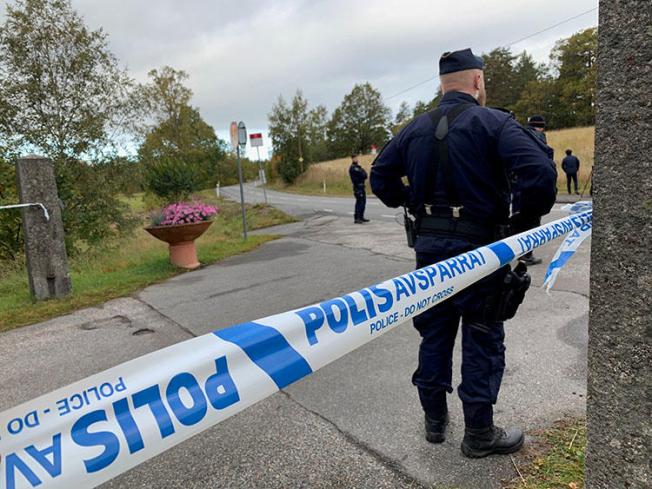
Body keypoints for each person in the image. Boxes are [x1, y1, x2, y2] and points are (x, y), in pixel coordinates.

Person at [370, 48, 557, 458]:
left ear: (443, 83)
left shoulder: (413, 129)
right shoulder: (492, 122)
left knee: (434, 332)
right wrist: (523, 223)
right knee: (482, 333)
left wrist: (413, 204)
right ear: (477, 81)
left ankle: (434, 422)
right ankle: (479, 433)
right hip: (481, 251)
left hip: (430, 250)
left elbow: (380, 176)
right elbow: (541, 173)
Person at [349, 154, 369, 223]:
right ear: (352, 159)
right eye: (355, 158)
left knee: (363, 202)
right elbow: (362, 174)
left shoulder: (359, 167)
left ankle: (361, 217)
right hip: (357, 187)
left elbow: (365, 175)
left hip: (362, 186)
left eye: (357, 158)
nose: (356, 159)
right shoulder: (353, 168)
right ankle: (357, 218)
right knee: (359, 202)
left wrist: (362, 173)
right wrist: (362, 173)